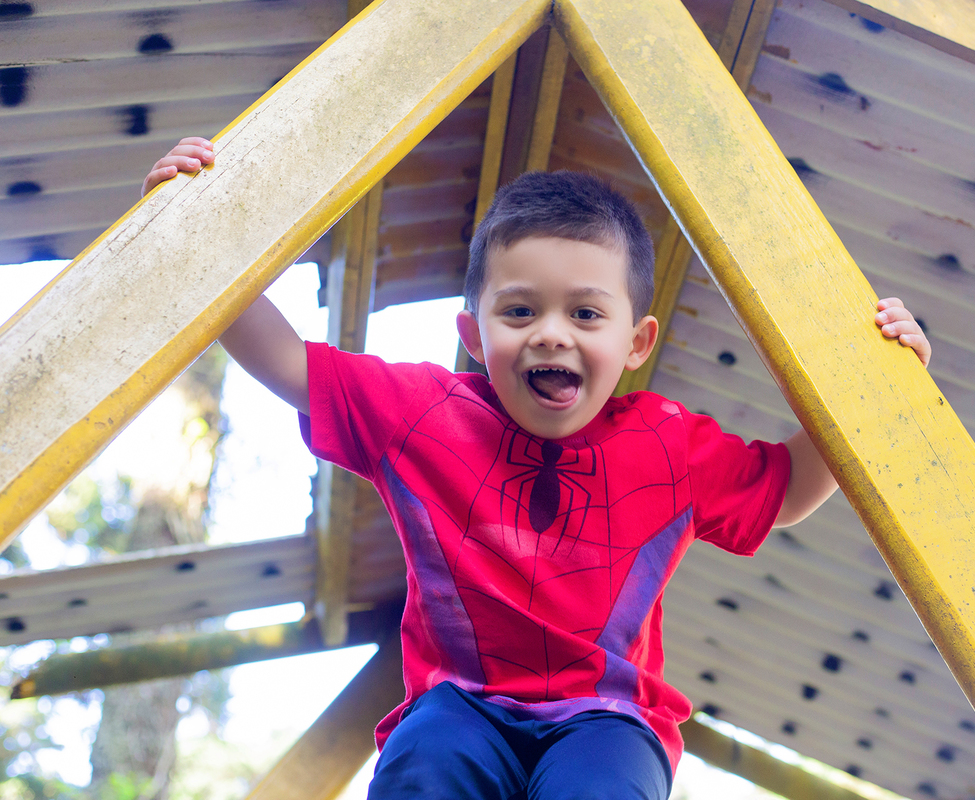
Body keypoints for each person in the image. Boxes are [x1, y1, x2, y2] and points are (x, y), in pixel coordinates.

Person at [144, 138, 931, 800]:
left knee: (603, 788)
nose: (551, 333)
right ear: (475, 334)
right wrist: (189, 234)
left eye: (586, 313)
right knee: (425, 763)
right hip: (460, 705)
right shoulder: (423, 411)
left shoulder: (668, 445)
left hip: (609, 716)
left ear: (637, 341)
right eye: (519, 311)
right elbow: (284, 360)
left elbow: (788, 488)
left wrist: (876, 383)